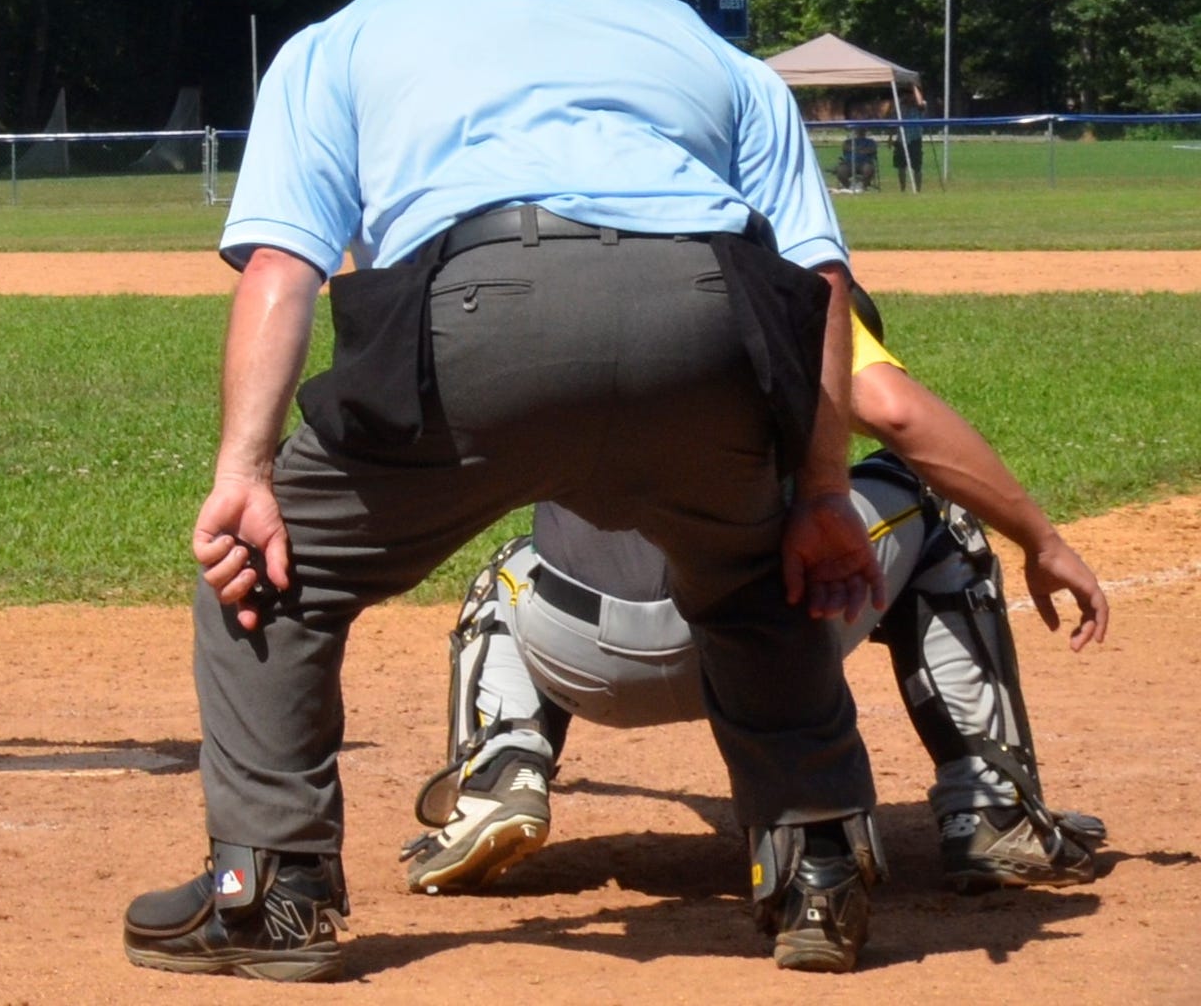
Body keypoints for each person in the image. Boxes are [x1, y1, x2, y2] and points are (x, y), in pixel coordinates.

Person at [122, 0, 890, 982]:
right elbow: (818, 282)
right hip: (703, 319)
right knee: (750, 576)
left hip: (471, 316)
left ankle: (270, 889)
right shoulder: (708, 50)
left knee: (275, 567)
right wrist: (820, 489)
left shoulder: (361, 24)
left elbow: (283, 266)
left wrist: (243, 477)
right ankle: (818, 874)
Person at [403, 283, 1108, 897]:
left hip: (577, 655)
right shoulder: (783, 278)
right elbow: (897, 414)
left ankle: (500, 773)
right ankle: (994, 809)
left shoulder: (564, 286)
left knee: (508, 573)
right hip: (764, 639)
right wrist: (1043, 541)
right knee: (937, 509)